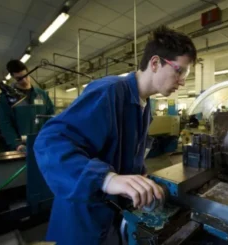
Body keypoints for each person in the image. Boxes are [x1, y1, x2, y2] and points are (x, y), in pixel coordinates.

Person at [33, 25, 197, 245]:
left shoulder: (145, 104)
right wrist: (106, 178)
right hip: (86, 216)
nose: (183, 80)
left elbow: (125, 154)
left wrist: (140, 179)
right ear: (155, 63)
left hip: (112, 214)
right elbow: (49, 141)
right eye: (179, 70)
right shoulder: (109, 91)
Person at [0, 60, 54, 152]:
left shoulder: (42, 94)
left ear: (28, 72)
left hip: (43, 144)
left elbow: (51, 116)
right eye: (19, 78)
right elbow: (5, 123)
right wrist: (16, 144)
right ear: (13, 77)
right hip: (21, 147)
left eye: (25, 76)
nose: (24, 80)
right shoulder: (6, 98)